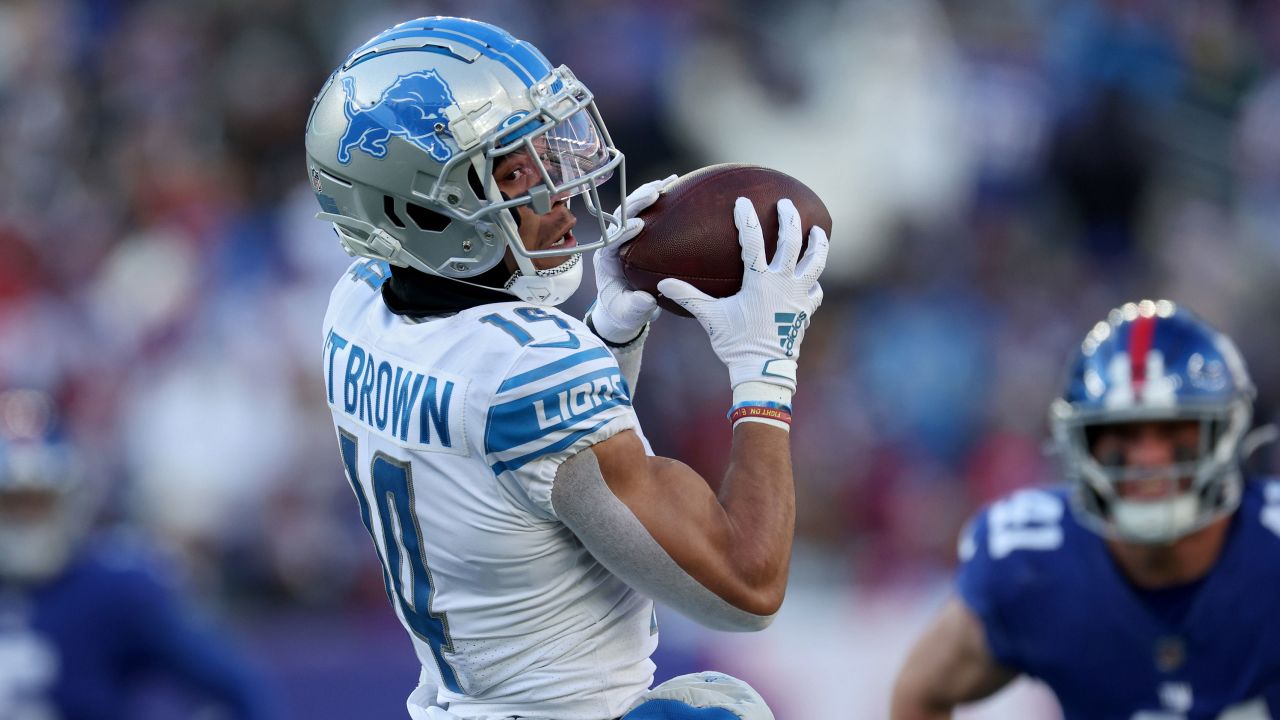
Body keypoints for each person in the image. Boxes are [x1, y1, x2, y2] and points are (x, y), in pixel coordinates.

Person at [305, 16, 828, 720]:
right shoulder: (526, 369)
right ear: (427, 212)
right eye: (518, 173)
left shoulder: (358, 308)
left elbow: (525, 459)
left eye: (550, 152)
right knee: (719, 710)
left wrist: (611, 328)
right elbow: (746, 586)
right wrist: (766, 367)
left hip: (458, 705)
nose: (558, 193)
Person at [891, 299, 1280, 719]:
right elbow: (921, 691)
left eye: (1175, 429)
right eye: (1121, 433)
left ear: (1226, 433)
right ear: (1082, 443)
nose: (1148, 458)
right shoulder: (1032, 562)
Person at [0, 388, 273, 719]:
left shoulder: (114, 588)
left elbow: (236, 689)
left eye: (37, 504)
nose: (25, 522)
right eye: (12, 505)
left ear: (70, 501)